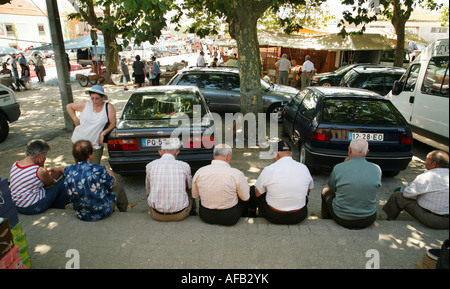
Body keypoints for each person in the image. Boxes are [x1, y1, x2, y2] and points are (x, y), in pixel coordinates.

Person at [321, 139, 381, 229]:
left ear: (349, 150)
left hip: (342, 218)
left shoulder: (339, 168)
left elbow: (332, 188)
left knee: (325, 191)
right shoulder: (377, 169)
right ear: (367, 152)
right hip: (369, 218)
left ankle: (326, 218)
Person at [250, 141, 314, 224]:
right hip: (299, 215)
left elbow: (258, 193)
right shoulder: (304, 168)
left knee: (253, 190)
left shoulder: (269, 169)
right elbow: (308, 191)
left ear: (276, 154)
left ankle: (252, 214)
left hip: (274, 216)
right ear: (290, 154)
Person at [382, 150, 449, 229]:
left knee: (397, 196)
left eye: (427, 159)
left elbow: (407, 194)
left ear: (434, 164)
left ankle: (389, 220)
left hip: (433, 220)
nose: (425, 162)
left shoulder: (427, 176)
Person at [64, 140, 128, 221]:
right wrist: (109, 171)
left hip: (80, 213)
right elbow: (113, 184)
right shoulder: (99, 170)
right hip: (101, 212)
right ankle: (124, 212)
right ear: (90, 155)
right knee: (118, 186)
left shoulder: (68, 170)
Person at [192, 144, 250, 226]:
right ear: (228, 156)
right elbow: (246, 198)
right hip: (229, 218)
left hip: (206, 216)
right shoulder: (237, 174)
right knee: (246, 192)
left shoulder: (200, 172)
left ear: (214, 155)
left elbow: (195, 195)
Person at [9, 139, 67, 215]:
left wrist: (50, 169)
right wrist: (43, 165)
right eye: (44, 156)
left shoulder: (16, 164)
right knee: (64, 182)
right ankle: (57, 206)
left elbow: (33, 174)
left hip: (18, 206)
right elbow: (50, 183)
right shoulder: (39, 170)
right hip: (33, 207)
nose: (45, 158)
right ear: (39, 156)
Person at [66, 85, 116, 165]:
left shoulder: (108, 107)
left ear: (102, 97)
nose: (94, 101)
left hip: (95, 144)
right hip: (79, 141)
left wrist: (103, 133)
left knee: (94, 168)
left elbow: (113, 123)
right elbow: (69, 106)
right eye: (92, 98)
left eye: (97, 98)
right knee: (80, 168)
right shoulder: (86, 104)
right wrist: (75, 118)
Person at [145, 139, 194, 222]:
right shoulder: (184, 166)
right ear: (177, 152)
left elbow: (148, 186)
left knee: (149, 188)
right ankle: (192, 212)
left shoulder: (150, 166)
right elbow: (190, 186)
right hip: (180, 214)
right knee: (189, 189)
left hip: (157, 214)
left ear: (160, 152)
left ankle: (155, 207)